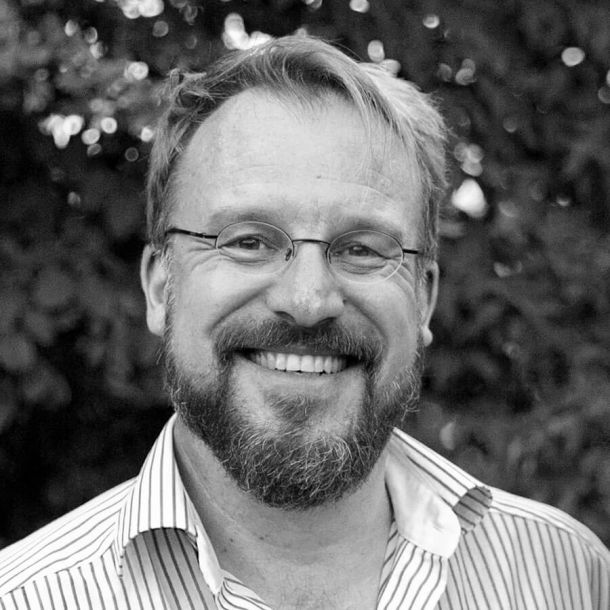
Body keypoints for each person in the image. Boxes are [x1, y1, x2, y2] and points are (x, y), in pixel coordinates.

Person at [0, 35, 608, 610]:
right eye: (248, 241)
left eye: (362, 249)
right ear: (162, 287)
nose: (308, 299)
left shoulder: (566, 576)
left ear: (423, 299)